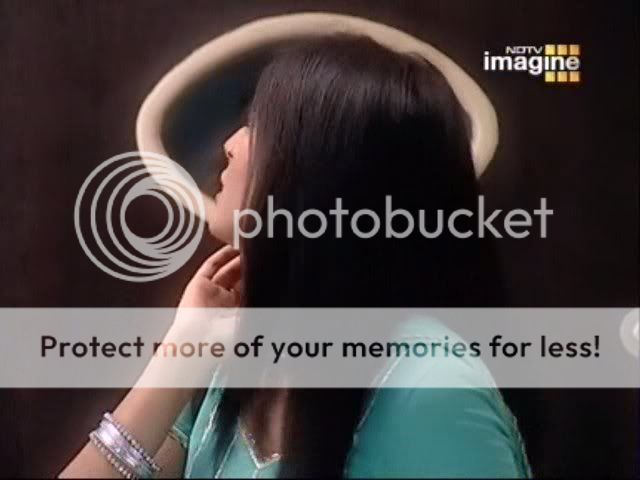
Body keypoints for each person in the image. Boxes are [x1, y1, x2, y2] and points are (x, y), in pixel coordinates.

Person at [60, 34, 532, 478]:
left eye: (261, 125)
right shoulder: (237, 353)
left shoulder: (430, 388)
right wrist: (181, 353)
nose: (231, 145)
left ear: (323, 170)